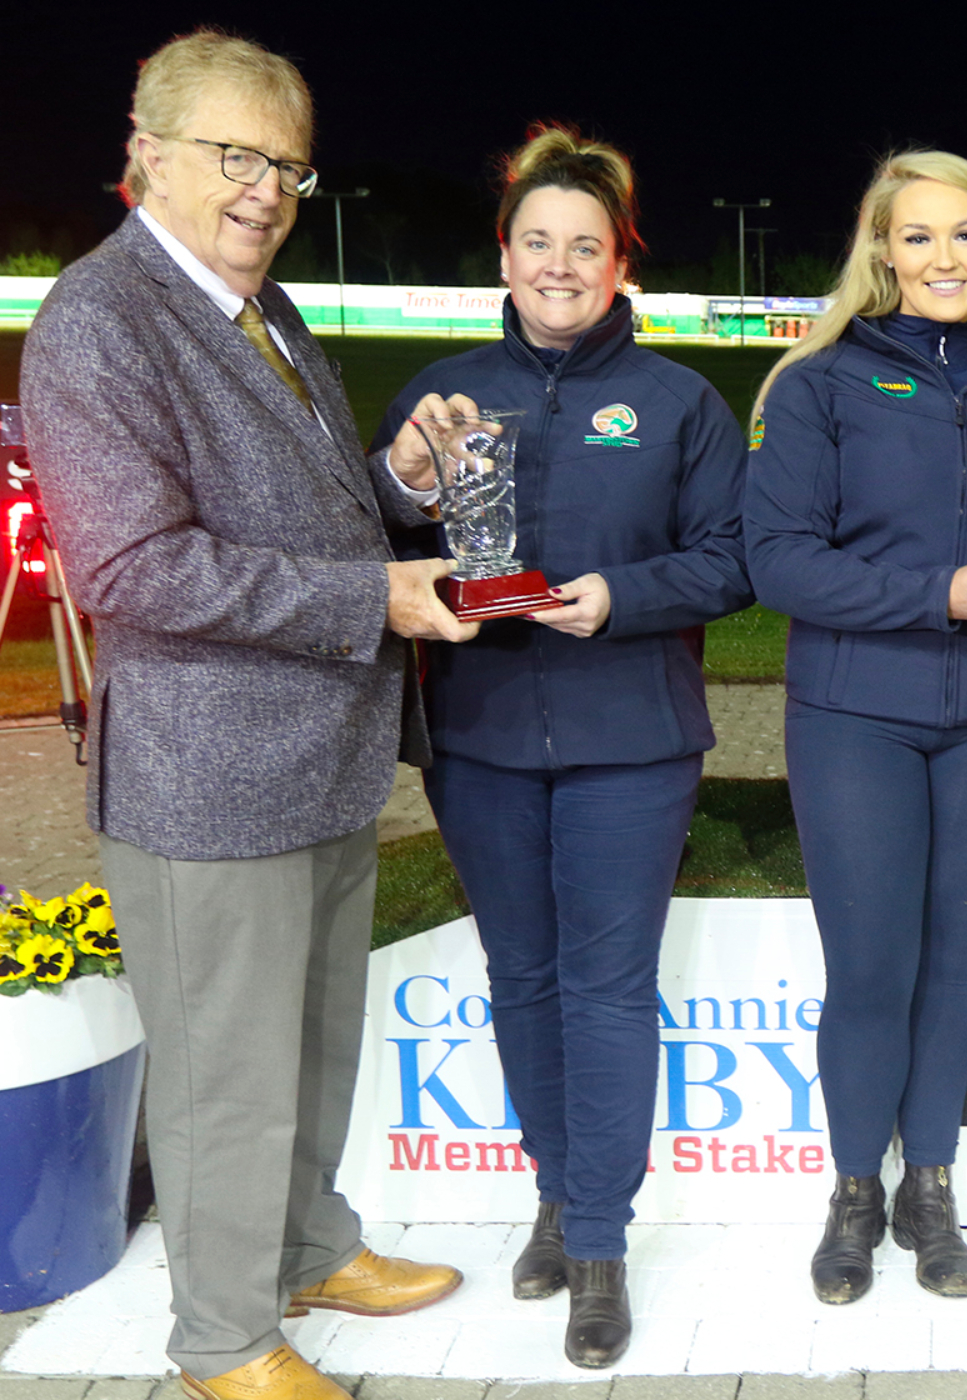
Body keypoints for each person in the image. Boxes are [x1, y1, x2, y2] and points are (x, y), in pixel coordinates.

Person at [18, 30, 472, 1400]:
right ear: (145, 155)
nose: (266, 188)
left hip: (319, 763)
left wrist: (396, 477)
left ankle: (311, 1245)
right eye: (235, 156)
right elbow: (132, 571)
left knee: (313, 1044)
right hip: (207, 780)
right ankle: (224, 1337)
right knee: (225, 1072)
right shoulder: (100, 324)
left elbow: (315, 506)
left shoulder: (260, 309)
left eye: (286, 163)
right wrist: (375, 597)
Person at [373, 126, 750, 1369]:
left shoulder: (680, 401)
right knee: (521, 980)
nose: (558, 263)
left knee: (603, 986)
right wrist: (405, 472)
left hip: (628, 737)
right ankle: (551, 1189)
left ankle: (598, 1239)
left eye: (583, 245)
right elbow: (382, 528)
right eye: (538, 241)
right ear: (505, 251)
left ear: (619, 260)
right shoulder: (442, 389)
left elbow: (730, 558)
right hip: (477, 734)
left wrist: (616, 597)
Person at [745, 150, 967, 1304]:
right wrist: (937, 593)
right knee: (871, 967)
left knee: (947, 962)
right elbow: (776, 561)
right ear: (881, 250)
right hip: (855, 719)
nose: (942, 258)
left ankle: (929, 1184)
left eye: (964, 235)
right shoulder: (820, 382)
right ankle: (853, 1194)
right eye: (917, 236)